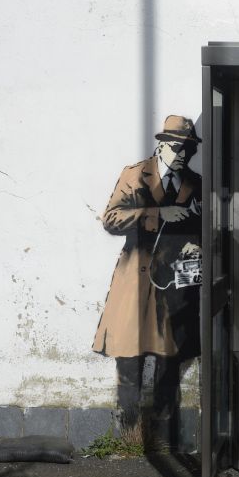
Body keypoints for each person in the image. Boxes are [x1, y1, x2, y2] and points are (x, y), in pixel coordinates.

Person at [93, 115, 202, 437]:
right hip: (136, 281)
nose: (183, 154)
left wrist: (194, 247)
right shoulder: (134, 174)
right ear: (161, 145)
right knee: (129, 357)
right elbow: (111, 219)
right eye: (177, 148)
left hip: (174, 283)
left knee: (170, 359)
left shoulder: (194, 182)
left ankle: (162, 436)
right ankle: (127, 431)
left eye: (188, 149)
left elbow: (203, 227)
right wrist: (156, 214)